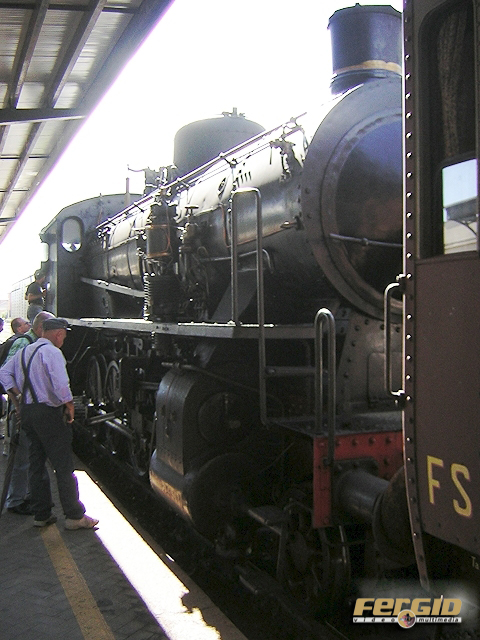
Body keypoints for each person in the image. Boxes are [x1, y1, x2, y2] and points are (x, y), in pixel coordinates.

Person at [0, 317, 98, 529]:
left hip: (27, 413)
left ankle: (41, 514)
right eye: (64, 334)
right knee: (63, 466)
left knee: (36, 465)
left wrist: (17, 398)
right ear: (59, 334)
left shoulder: (23, 352)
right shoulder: (52, 352)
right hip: (49, 414)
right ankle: (74, 516)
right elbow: (61, 383)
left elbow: (3, 373)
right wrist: (69, 405)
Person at [1, 311, 54, 514]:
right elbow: (5, 373)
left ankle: (28, 496)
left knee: (30, 455)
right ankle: (15, 501)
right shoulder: (25, 344)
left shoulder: (35, 344)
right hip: (21, 410)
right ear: (41, 329)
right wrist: (18, 401)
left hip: (27, 408)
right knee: (22, 457)